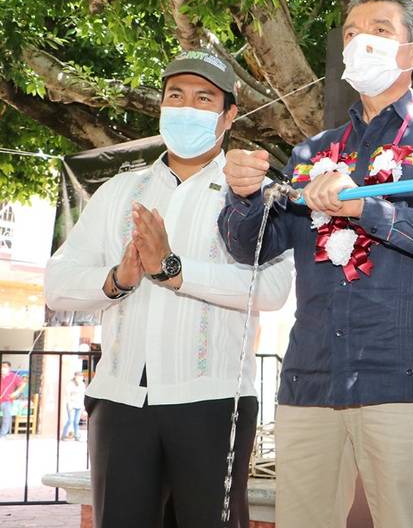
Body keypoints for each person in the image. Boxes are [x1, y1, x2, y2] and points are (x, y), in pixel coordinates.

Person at [219, 0, 413, 528]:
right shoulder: (310, 153)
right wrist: (243, 194)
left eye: (379, 31)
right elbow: (247, 246)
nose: (360, 43)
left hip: (405, 382)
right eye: (351, 33)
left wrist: (367, 210)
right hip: (310, 381)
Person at [45, 50, 294, 528]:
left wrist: (174, 270)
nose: (186, 108)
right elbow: (57, 284)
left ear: (229, 115)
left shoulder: (254, 192)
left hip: (214, 400)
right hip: (119, 401)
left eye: (203, 99)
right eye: (175, 96)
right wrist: (119, 280)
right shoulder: (120, 191)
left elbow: (273, 289)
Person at [1, 361, 25, 437]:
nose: (3, 368)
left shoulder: (13, 376)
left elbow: (23, 384)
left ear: (9, 368)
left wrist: (16, 393)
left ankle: (2, 434)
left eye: (5, 366)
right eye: (2, 366)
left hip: (7, 401)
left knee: (6, 417)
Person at [60, 371, 86, 440]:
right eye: (79, 376)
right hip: (72, 405)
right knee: (70, 420)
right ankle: (64, 435)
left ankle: (77, 436)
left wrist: (83, 406)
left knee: (76, 422)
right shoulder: (70, 384)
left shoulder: (82, 385)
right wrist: (69, 404)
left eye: (81, 376)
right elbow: (68, 395)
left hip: (79, 405)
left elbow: (83, 396)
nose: (80, 378)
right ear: (75, 376)